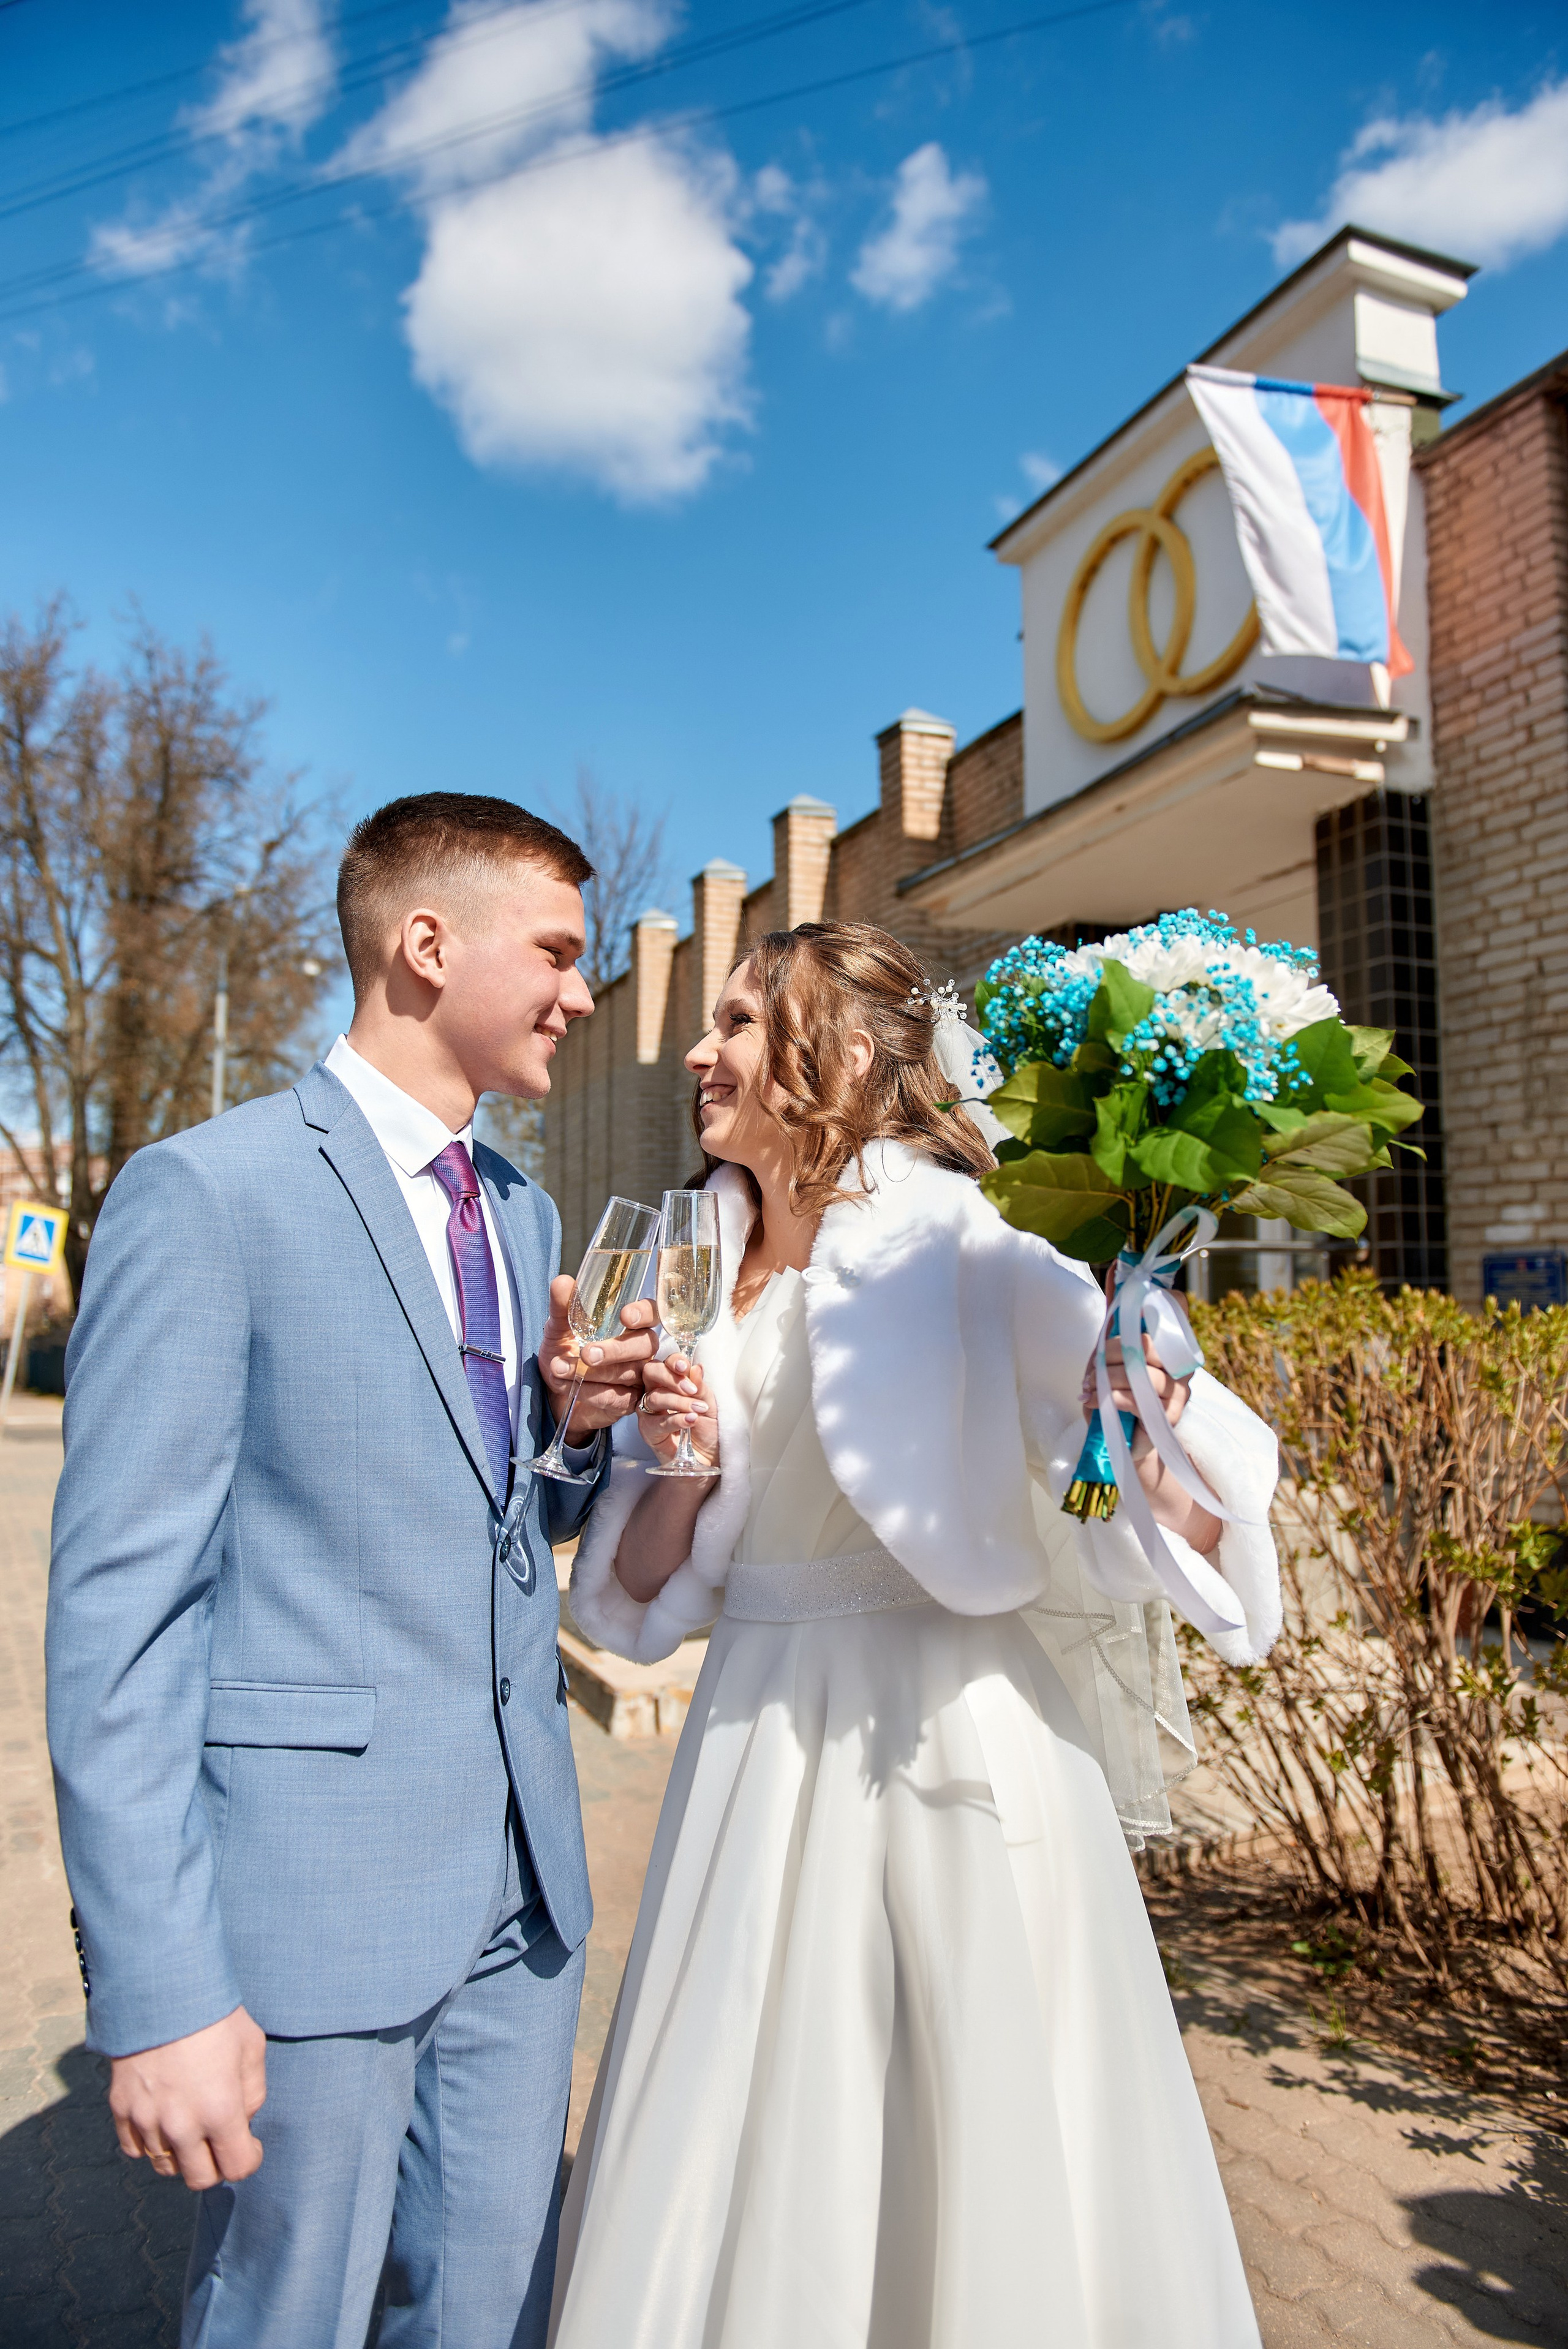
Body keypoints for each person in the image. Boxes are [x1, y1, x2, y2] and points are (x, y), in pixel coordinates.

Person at [552, 920, 1280, 2349]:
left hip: (947, 1737)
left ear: (832, 1053)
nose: (698, 1052)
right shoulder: (692, 1259)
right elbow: (637, 1593)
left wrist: (1145, 1415)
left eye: (738, 1022)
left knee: (963, 2110)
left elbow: (1135, 1497)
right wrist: (684, 1459)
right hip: (753, 1731)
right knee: (741, 2107)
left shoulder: (962, 1246)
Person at [46, 793, 657, 2349]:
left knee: (486, 2309)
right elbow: (121, 1623)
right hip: (310, 1910)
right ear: (427, 944)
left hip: (522, 1904)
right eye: (558, 953)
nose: (582, 994)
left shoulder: (522, 1210)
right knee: (288, 2317)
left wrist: (574, 1435)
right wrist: (160, 1987)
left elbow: (501, 1517)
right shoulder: (208, 1193)